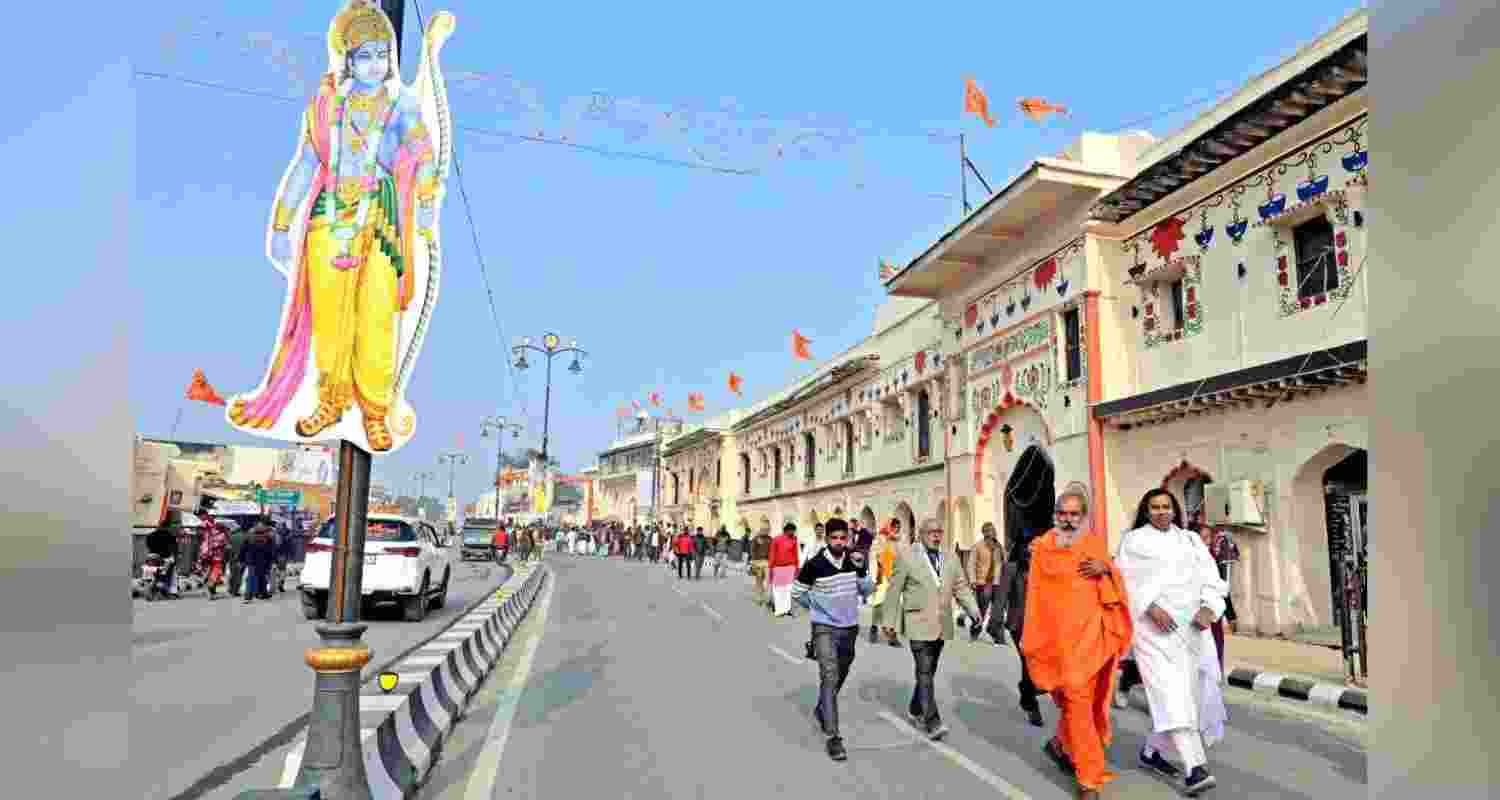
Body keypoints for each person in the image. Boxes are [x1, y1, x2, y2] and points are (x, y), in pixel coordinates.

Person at [226, 2, 446, 453]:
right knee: (330, 320)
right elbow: (305, 165)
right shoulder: (325, 108)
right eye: (365, 55)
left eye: (383, 54)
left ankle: (375, 413)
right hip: (330, 219)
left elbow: (423, 157)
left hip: (381, 221)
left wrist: (426, 196)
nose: (376, 64)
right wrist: (281, 225)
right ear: (346, 58)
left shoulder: (401, 107)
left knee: (377, 318)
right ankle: (331, 401)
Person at [1020, 483, 1134, 800]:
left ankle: (1061, 745)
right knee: (1077, 704)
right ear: (1055, 515)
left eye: (1074, 514)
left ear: (1083, 517)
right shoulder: (1042, 548)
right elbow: (1036, 596)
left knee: (1087, 706)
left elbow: (1114, 585)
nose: (1068, 520)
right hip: (1060, 644)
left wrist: (1106, 568)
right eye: (1062, 514)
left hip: (1092, 642)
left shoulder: (1093, 545)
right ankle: (1088, 781)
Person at [1115, 489, 1227, 796]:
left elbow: (1211, 578)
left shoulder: (1190, 541)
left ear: (1175, 510)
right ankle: (1195, 768)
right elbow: (1124, 582)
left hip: (1191, 631)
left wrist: (1209, 608)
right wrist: (1151, 608)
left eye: (1166, 506)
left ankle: (1152, 752)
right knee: (1170, 696)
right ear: (1146, 510)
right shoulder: (1134, 541)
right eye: (1155, 507)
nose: (1162, 511)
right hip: (1151, 632)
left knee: (1188, 698)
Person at [791, 519, 875, 761]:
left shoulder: (853, 560)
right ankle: (833, 736)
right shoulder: (814, 565)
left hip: (849, 628)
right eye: (834, 538)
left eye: (843, 538)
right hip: (824, 628)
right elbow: (797, 592)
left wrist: (861, 569)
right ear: (827, 539)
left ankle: (822, 708)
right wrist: (818, 608)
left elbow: (868, 590)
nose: (839, 542)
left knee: (840, 673)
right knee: (829, 675)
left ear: (847, 539)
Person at [1005, 523, 1049, 727]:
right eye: (1028, 546)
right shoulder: (1011, 569)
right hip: (1019, 624)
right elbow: (1001, 598)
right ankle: (1031, 703)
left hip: (1041, 623)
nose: (1032, 549)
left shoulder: (1046, 568)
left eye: (1035, 545)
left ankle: (1026, 690)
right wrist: (995, 623)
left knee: (1035, 662)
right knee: (1028, 660)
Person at [968, 522, 1009, 645]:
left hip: (997, 582)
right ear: (985, 532)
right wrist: (972, 580)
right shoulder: (977, 546)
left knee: (998, 611)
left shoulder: (998, 546)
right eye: (990, 530)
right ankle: (975, 631)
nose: (993, 532)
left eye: (993, 530)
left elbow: (1005, 561)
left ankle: (999, 637)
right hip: (983, 582)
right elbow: (971, 564)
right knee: (981, 610)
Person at [869, 522, 903, 647]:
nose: (896, 530)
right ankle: (874, 627)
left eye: (898, 528)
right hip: (883, 575)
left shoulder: (898, 541)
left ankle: (892, 634)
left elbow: (901, 558)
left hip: (895, 575)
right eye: (894, 527)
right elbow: (877, 555)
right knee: (879, 603)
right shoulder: (881, 538)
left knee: (896, 605)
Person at [241, 522, 278, 605]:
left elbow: (243, 548)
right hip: (264, 560)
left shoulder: (249, 536)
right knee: (262, 577)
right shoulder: (268, 536)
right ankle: (263, 593)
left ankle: (248, 596)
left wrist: (241, 559)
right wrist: (273, 560)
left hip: (252, 560)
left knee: (251, 578)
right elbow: (272, 550)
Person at [768, 523, 801, 617]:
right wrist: (771, 567)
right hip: (778, 567)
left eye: (794, 531)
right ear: (786, 530)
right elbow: (772, 554)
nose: (793, 532)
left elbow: (795, 554)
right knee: (779, 589)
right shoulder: (776, 539)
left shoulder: (794, 539)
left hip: (790, 568)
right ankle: (779, 609)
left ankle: (787, 609)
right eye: (792, 530)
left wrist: (797, 567)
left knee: (788, 589)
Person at [198, 521, 229, 600]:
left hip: (208, 556)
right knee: (215, 573)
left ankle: (211, 590)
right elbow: (223, 544)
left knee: (211, 572)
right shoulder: (222, 535)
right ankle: (210, 587)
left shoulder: (209, 534)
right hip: (217, 557)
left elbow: (204, 544)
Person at [749, 527, 773, 603]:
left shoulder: (770, 539)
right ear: (760, 531)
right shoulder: (756, 539)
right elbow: (752, 550)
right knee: (759, 580)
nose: (765, 532)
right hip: (758, 562)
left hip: (767, 562)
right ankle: (758, 597)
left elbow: (772, 550)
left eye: (767, 530)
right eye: (764, 530)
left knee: (767, 580)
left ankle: (766, 597)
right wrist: (753, 561)